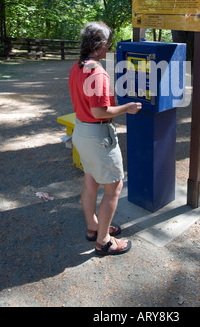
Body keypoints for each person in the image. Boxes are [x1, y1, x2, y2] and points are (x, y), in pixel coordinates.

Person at [69, 21, 142, 256]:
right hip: (98, 135)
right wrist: (126, 107)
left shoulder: (78, 66)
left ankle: (93, 226)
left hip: (81, 131)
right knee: (114, 187)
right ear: (99, 45)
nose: (109, 49)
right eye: (108, 44)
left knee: (91, 181)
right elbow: (100, 112)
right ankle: (104, 240)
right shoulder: (97, 72)